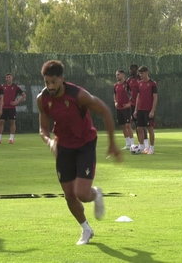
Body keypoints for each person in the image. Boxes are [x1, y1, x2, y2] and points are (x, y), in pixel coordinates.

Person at [37, 60, 122, 245]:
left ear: (61, 79)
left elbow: (106, 112)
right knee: (69, 195)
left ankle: (96, 194)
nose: (50, 86)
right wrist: (49, 141)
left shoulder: (79, 95)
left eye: (53, 82)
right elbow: (43, 128)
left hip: (85, 144)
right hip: (63, 147)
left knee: (82, 194)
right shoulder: (42, 99)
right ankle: (86, 229)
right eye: (46, 82)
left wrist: (112, 144)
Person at [133, 66, 157, 154]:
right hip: (140, 109)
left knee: (150, 129)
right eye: (139, 73)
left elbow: (155, 98)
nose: (141, 75)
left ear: (147, 72)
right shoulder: (139, 83)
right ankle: (142, 146)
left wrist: (152, 111)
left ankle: (152, 148)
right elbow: (138, 97)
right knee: (139, 128)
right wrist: (136, 110)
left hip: (148, 110)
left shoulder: (152, 83)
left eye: (142, 73)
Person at [0, 73, 26, 144]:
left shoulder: (16, 87)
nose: (8, 78)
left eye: (9, 77)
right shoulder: (2, 87)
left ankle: (11, 139)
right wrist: (0, 102)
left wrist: (17, 102)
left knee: (12, 122)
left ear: (12, 78)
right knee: (0, 122)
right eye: (7, 77)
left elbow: (24, 95)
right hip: (3, 108)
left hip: (12, 108)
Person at [126, 64, 148, 149]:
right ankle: (140, 143)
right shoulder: (129, 80)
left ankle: (146, 143)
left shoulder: (140, 79)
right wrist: (129, 96)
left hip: (141, 104)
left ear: (136, 70)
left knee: (142, 125)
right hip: (133, 104)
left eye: (132, 69)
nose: (130, 71)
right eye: (129, 69)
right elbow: (127, 89)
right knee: (136, 124)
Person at [113, 70, 134, 149]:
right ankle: (127, 144)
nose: (117, 76)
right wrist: (115, 102)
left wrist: (129, 103)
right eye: (116, 74)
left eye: (118, 74)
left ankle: (132, 144)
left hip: (126, 108)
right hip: (119, 108)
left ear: (123, 75)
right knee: (123, 126)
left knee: (128, 125)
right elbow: (114, 94)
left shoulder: (127, 84)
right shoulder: (115, 85)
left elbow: (133, 94)